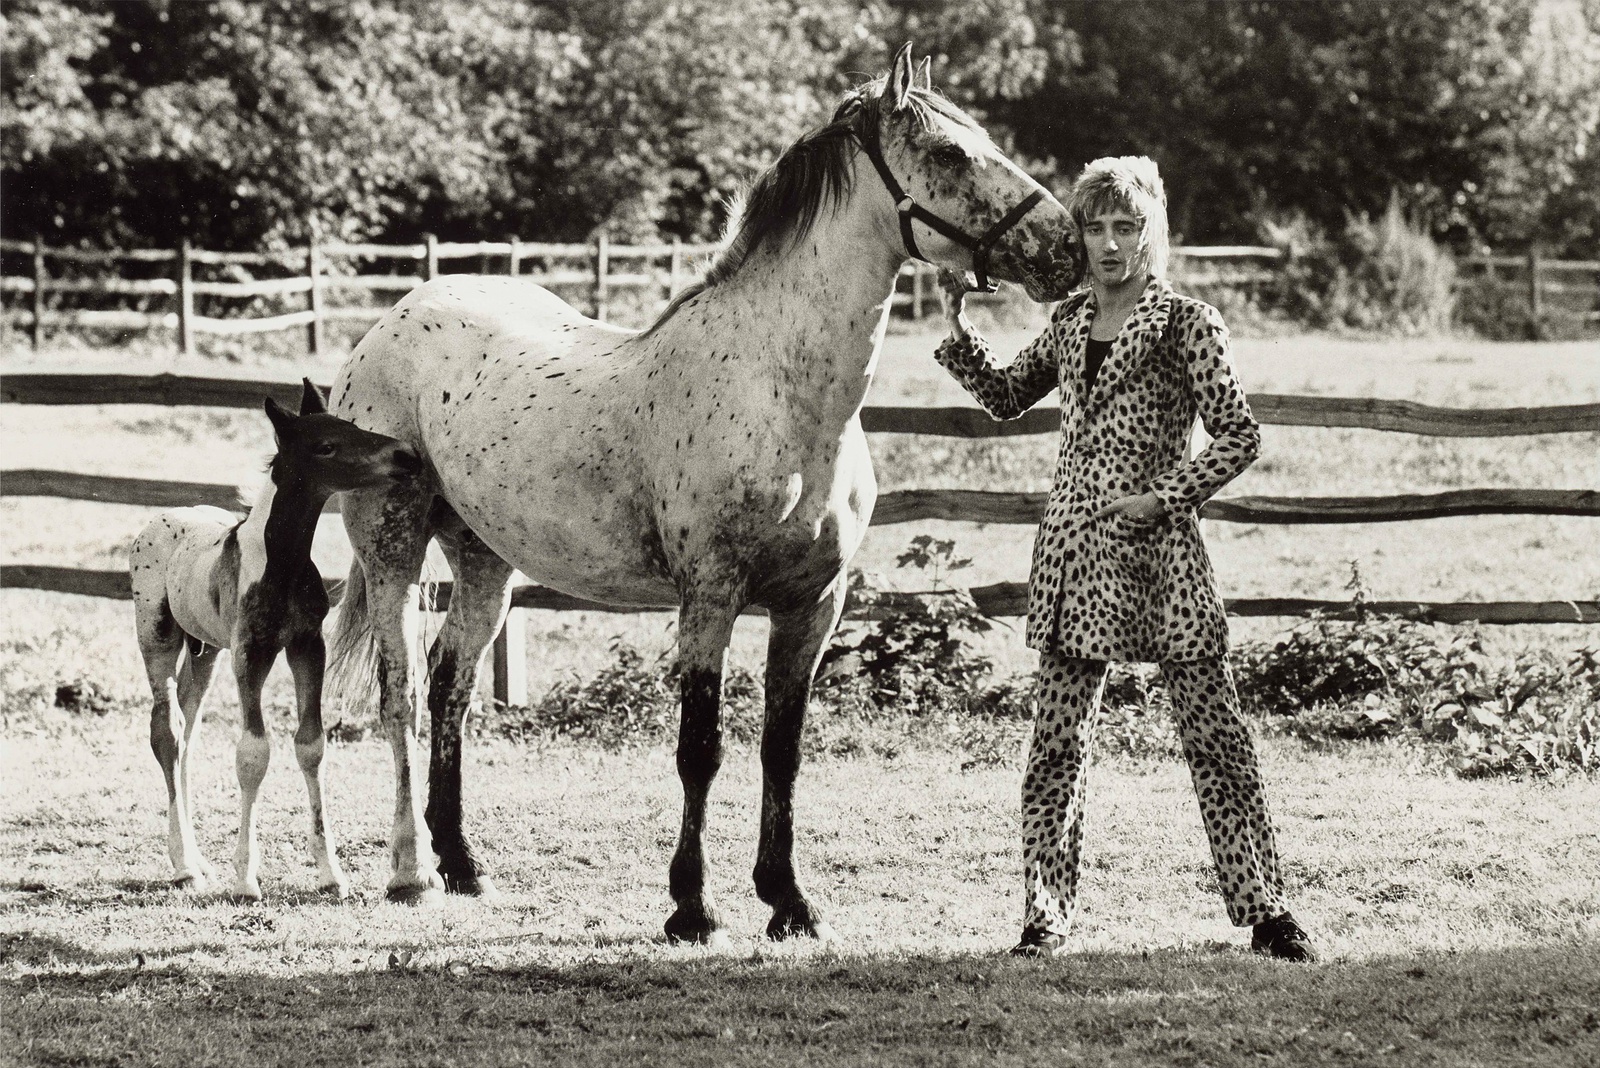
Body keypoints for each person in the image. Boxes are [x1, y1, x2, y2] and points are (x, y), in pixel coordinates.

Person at [933, 156, 1317, 962]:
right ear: (1077, 233)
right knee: (1057, 747)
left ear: (1150, 234)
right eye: (1094, 227)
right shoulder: (1071, 321)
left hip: (1161, 558)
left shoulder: (1188, 322)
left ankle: (1267, 912)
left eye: (1125, 227)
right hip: (1073, 556)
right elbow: (1007, 396)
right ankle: (1044, 917)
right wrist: (958, 334)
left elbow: (1240, 435)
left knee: (1215, 738)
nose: (1108, 244)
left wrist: (1166, 496)